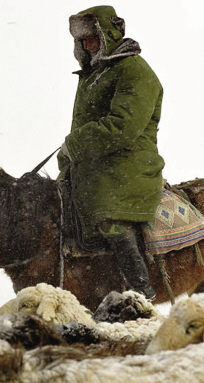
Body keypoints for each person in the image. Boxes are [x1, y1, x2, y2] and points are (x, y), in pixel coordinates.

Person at [57, 6, 165, 300]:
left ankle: (142, 293)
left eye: (93, 38)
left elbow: (123, 127)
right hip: (95, 166)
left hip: (128, 166)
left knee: (108, 215)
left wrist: (75, 145)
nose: (87, 45)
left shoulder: (134, 71)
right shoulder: (94, 74)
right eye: (82, 41)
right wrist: (67, 158)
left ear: (109, 34)